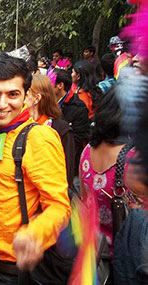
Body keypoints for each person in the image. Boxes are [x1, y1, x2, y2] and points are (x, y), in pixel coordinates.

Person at [0, 51, 71, 284]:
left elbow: (59, 207)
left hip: (13, 273)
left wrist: (35, 234)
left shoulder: (38, 138)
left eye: (13, 94)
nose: (2, 103)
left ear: (27, 96)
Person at [79, 85, 140, 255]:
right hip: (127, 259)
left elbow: (85, 201)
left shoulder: (87, 152)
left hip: (94, 253)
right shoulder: (135, 161)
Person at [25, 74, 76, 197]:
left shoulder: (60, 129)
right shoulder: (17, 127)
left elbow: (66, 175)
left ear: (36, 98)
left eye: (25, 94)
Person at [53, 69, 89, 179]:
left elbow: (76, 141)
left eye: (50, 83)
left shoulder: (78, 107)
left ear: (60, 85)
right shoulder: (50, 102)